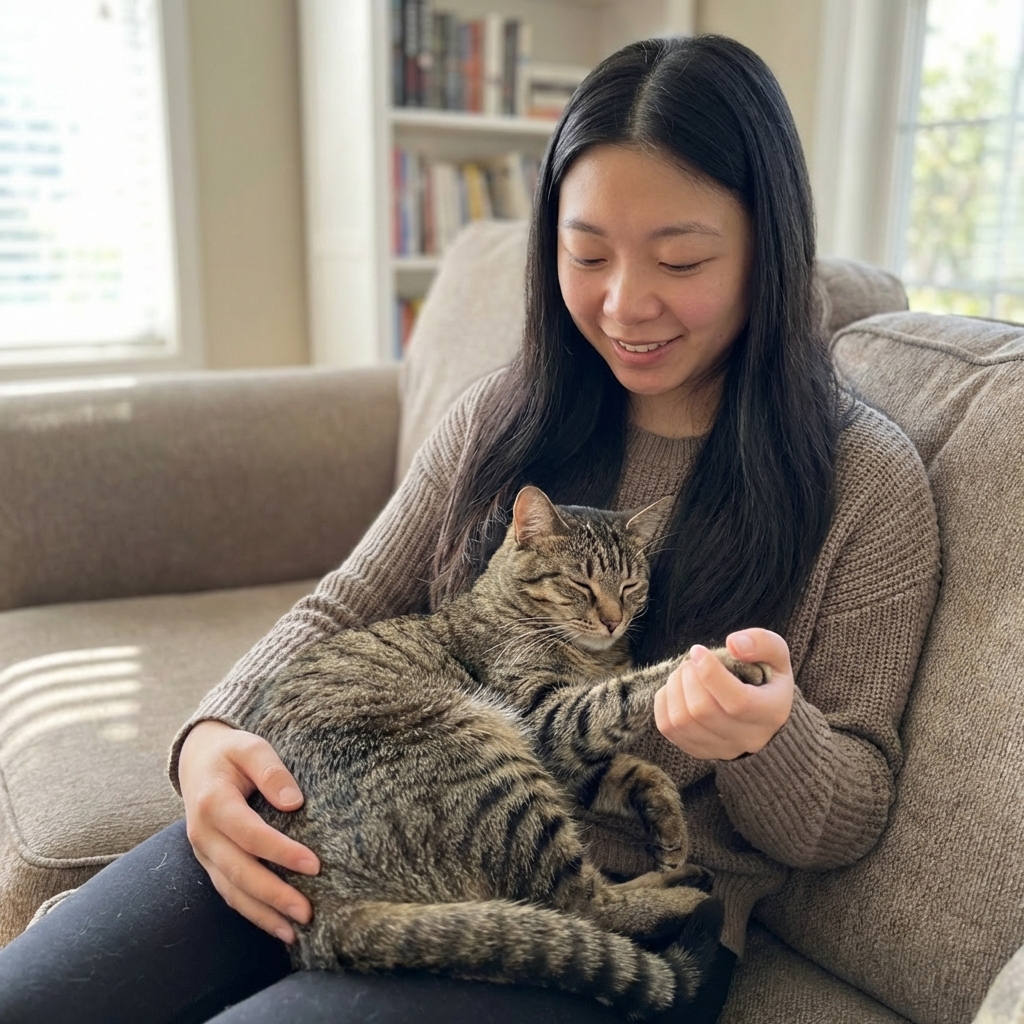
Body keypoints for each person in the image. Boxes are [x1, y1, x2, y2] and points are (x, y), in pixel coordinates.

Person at [0, 33, 940, 1024]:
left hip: (608, 914)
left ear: (768, 248)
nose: (624, 304)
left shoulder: (865, 481)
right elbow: (348, 603)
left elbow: (849, 812)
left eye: (680, 258)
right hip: (359, 827)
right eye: (586, 254)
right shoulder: (509, 412)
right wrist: (212, 735)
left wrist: (768, 738)